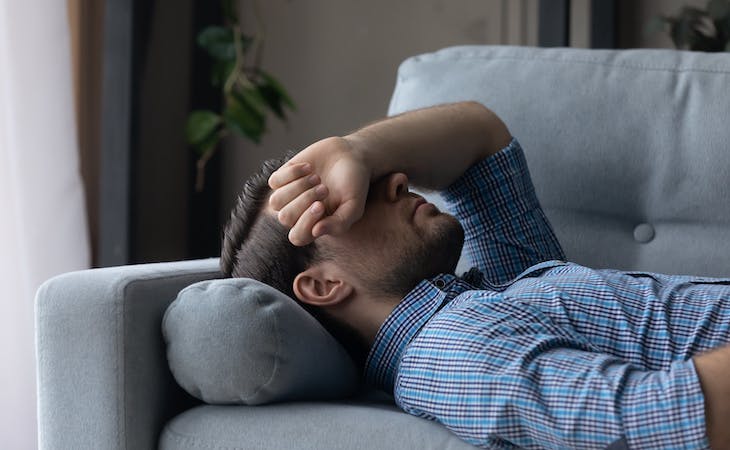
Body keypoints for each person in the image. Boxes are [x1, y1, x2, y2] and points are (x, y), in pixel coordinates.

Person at [220, 102, 730, 449]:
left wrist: (356, 151)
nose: (394, 180)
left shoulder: (494, 293)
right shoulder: (455, 353)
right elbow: (662, 419)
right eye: (337, 204)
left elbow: (482, 138)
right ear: (323, 285)